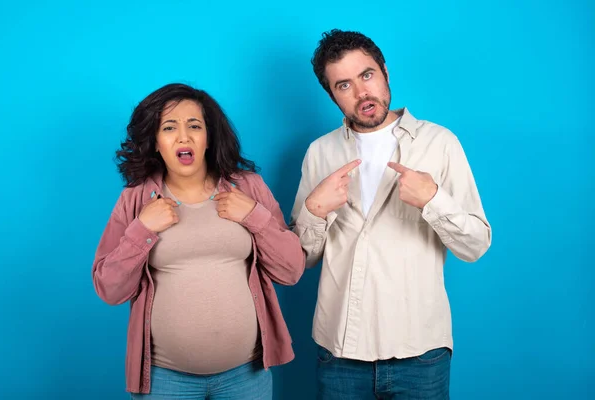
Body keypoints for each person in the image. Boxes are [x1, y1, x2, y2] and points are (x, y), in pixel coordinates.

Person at [290, 29, 492, 399]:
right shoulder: (319, 153)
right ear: (332, 95)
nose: (362, 92)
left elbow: (476, 245)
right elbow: (299, 260)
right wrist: (314, 210)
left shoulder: (440, 143)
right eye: (343, 85)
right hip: (340, 354)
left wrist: (433, 200)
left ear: (384, 71)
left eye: (367, 75)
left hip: (420, 353)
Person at [92, 83, 305, 400]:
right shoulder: (135, 199)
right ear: (155, 143)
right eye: (169, 127)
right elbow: (109, 289)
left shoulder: (248, 187)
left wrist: (254, 216)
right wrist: (141, 229)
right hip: (165, 382)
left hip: (247, 376)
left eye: (194, 126)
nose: (183, 137)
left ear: (209, 138)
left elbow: (292, 270)